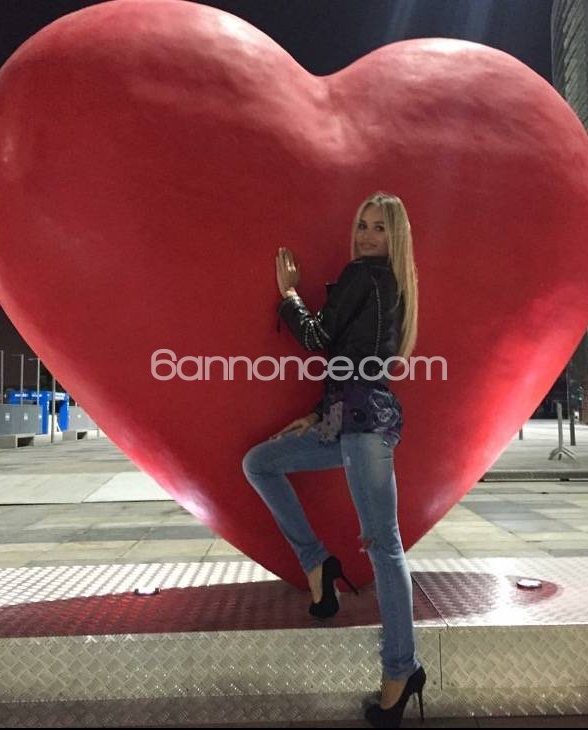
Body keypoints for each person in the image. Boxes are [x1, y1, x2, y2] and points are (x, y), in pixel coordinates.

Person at [242, 191, 426, 727]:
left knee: (385, 547)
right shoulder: (391, 283)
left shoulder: (362, 275)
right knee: (261, 463)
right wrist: (321, 414)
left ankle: (401, 669)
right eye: (363, 225)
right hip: (348, 418)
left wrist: (289, 296)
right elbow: (355, 362)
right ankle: (317, 562)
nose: (367, 235)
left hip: (362, 425)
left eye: (379, 228)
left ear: (396, 236)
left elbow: (318, 339)